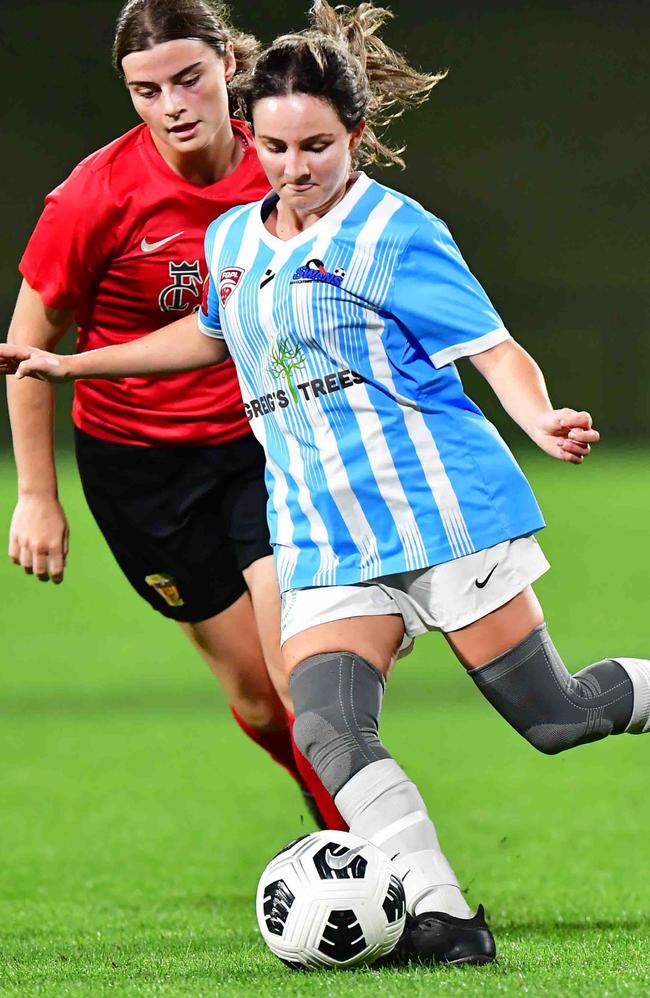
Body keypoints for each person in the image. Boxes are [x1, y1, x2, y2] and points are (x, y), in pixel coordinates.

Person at [4, 0, 649, 968]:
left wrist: (538, 417)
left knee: (553, 717)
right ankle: (441, 918)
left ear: (352, 135)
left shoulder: (396, 233)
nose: (292, 168)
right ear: (251, 135)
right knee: (326, 726)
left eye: (313, 146)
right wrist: (75, 368)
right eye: (272, 147)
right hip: (323, 534)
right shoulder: (232, 240)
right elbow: (207, 334)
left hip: (436, 515)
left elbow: (493, 349)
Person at [4, 0, 345, 831]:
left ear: (227, 62)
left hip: (261, 443)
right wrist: (38, 496)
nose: (172, 107)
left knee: (300, 672)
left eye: (188, 79)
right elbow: (26, 350)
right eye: (146, 91)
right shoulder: (94, 198)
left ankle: (371, 853)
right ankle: (318, 789)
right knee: (260, 700)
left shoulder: (278, 159)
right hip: (142, 468)